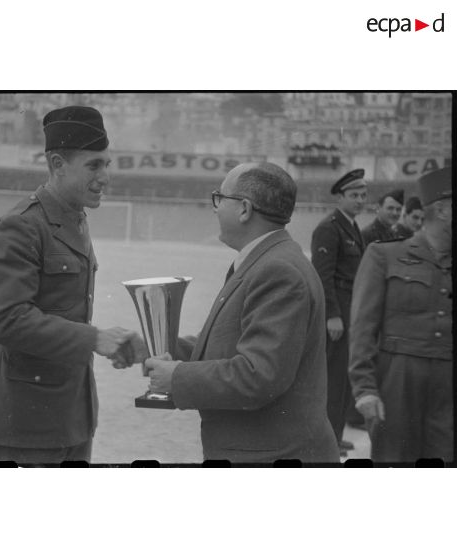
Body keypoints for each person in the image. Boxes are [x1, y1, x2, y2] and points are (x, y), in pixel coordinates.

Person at [0, 106, 138, 465]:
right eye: (94, 165)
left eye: (107, 164)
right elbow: (8, 321)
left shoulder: (74, 219)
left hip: (72, 415)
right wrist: (95, 338)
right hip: (26, 421)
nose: (105, 176)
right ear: (58, 164)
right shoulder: (20, 227)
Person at [144, 162, 339, 463]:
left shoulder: (277, 270)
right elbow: (232, 344)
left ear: (245, 209)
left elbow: (258, 376)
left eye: (219, 198)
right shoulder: (267, 260)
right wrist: (154, 347)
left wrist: (178, 378)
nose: (215, 208)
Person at [349, 167, 453, 462]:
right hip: (398, 382)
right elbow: (362, 327)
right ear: (445, 211)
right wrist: (365, 389)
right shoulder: (385, 256)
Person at [310, 169, 367, 454]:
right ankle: (328, 439)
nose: (360, 200)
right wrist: (332, 315)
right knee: (333, 380)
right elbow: (323, 275)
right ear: (340, 197)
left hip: (350, 310)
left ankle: (337, 432)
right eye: (354, 195)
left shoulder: (351, 226)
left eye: (363, 195)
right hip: (337, 314)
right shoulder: (329, 227)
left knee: (344, 378)